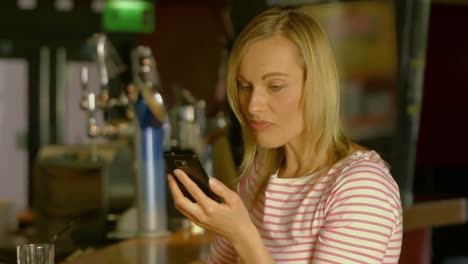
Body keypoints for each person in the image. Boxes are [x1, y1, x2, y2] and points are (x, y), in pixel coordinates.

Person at [167, 7, 402, 264]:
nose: (253, 105)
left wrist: (242, 234)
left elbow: (243, 242)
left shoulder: (361, 188)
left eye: (275, 86)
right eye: (245, 86)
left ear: (316, 85)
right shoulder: (259, 174)